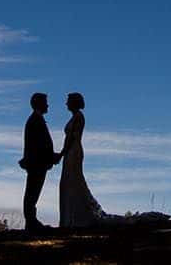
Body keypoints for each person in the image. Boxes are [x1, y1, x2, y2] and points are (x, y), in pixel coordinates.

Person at [58, 91, 108, 230]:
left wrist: (61, 153)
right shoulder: (76, 117)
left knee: (74, 180)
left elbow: (72, 138)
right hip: (71, 151)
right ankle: (71, 217)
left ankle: (76, 217)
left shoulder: (79, 117)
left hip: (73, 152)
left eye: (68, 101)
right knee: (70, 181)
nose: (66, 103)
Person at [18, 92, 61, 233]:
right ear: (39, 104)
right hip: (37, 164)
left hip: (37, 163)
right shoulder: (35, 120)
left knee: (33, 192)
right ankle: (31, 222)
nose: (47, 105)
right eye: (45, 102)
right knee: (32, 192)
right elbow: (38, 145)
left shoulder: (36, 119)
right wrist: (51, 157)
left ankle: (31, 221)